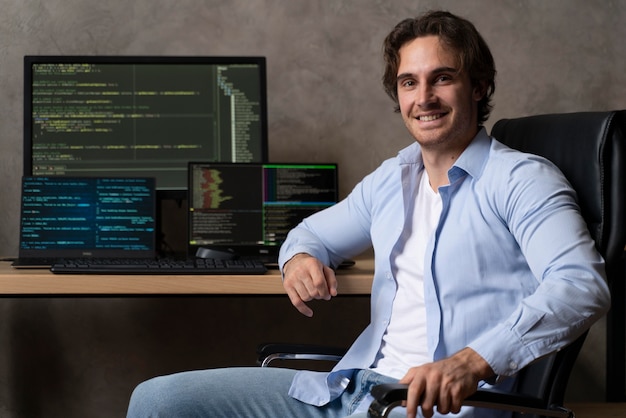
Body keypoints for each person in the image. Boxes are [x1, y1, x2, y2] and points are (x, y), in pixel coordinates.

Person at [126, 10, 610, 418]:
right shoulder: (394, 177)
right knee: (157, 401)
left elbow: (580, 285)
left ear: (479, 86)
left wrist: (471, 362)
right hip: (353, 392)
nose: (424, 98)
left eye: (442, 77)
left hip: (438, 406)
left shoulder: (522, 178)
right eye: (408, 82)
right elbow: (311, 232)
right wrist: (298, 258)